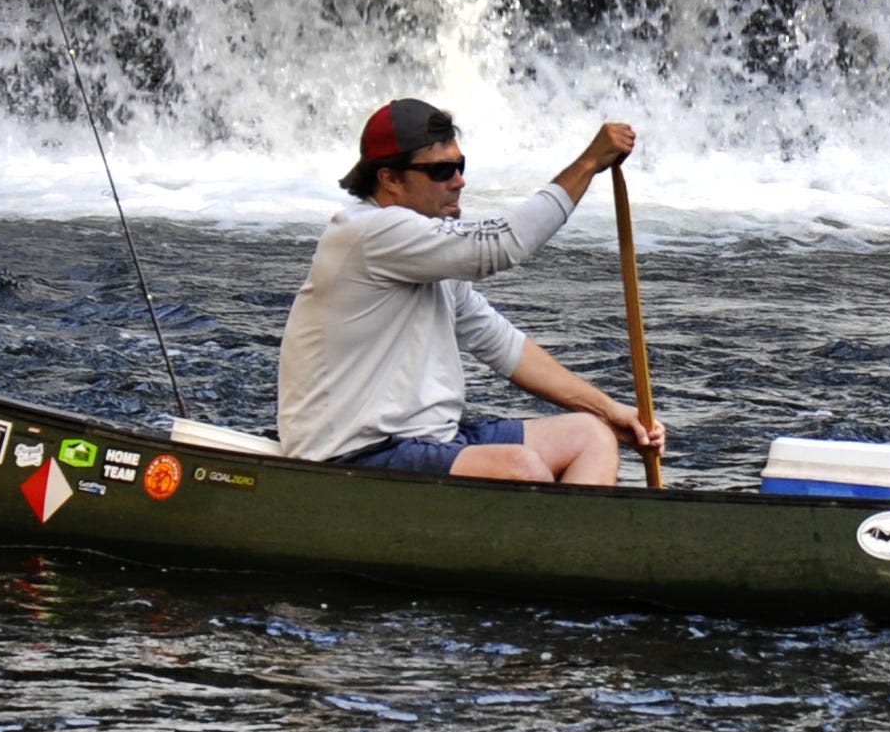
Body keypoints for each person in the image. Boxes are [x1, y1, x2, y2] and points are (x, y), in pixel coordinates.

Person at [277, 97, 668, 484]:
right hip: (356, 452)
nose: (459, 180)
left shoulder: (428, 249)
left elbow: (502, 345)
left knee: (592, 437)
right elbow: (500, 246)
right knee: (522, 469)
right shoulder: (369, 232)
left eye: (460, 165)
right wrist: (588, 163)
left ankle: (572, 546)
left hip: (432, 438)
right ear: (390, 180)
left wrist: (611, 411)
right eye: (442, 170)